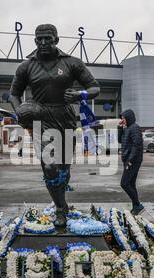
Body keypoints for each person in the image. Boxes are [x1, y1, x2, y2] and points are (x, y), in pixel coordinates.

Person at [10, 24, 100, 227]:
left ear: (56, 40)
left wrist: (79, 95)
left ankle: (59, 199)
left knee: (63, 169)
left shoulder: (72, 63)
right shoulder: (26, 66)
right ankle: (61, 209)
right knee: (49, 166)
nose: (43, 42)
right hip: (40, 116)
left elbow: (95, 87)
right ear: (35, 40)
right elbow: (14, 93)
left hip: (65, 115)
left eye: (47, 39)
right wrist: (19, 111)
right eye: (39, 39)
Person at [118, 109, 145, 215]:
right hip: (128, 159)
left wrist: (130, 160)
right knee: (131, 184)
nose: (122, 120)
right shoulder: (127, 128)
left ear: (128, 118)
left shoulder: (135, 128)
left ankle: (138, 205)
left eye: (124, 118)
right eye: (122, 118)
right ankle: (136, 207)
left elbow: (137, 145)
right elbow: (120, 140)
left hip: (133, 161)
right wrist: (119, 128)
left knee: (124, 183)